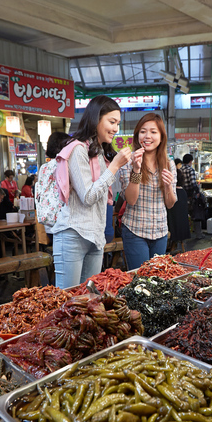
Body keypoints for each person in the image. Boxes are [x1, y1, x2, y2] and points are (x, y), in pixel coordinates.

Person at [50, 95, 133, 289]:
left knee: (89, 300)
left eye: (118, 123)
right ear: (96, 119)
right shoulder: (79, 149)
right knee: (69, 301)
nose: (116, 129)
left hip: (96, 236)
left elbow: (117, 194)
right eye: (112, 122)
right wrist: (114, 166)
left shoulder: (101, 152)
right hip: (75, 234)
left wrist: (135, 170)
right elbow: (89, 197)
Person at [117, 113, 177, 270]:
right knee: (140, 278)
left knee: (157, 278)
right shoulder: (128, 163)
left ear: (161, 136)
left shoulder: (168, 164)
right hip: (135, 231)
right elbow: (131, 200)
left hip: (160, 231)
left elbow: (170, 204)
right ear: (137, 135)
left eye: (153, 132)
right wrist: (136, 170)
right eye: (143, 131)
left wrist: (169, 185)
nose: (147, 136)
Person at [180, 154, 205, 238]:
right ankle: (198, 234)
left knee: (184, 215)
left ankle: (185, 234)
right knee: (196, 213)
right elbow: (193, 183)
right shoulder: (190, 170)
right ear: (191, 161)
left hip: (182, 194)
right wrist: (197, 192)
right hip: (191, 195)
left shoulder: (179, 170)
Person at [168, 169, 191, 251]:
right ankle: (173, 245)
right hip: (183, 228)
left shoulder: (172, 193)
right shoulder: (183, 192)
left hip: (173, 228)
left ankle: (172, 245)